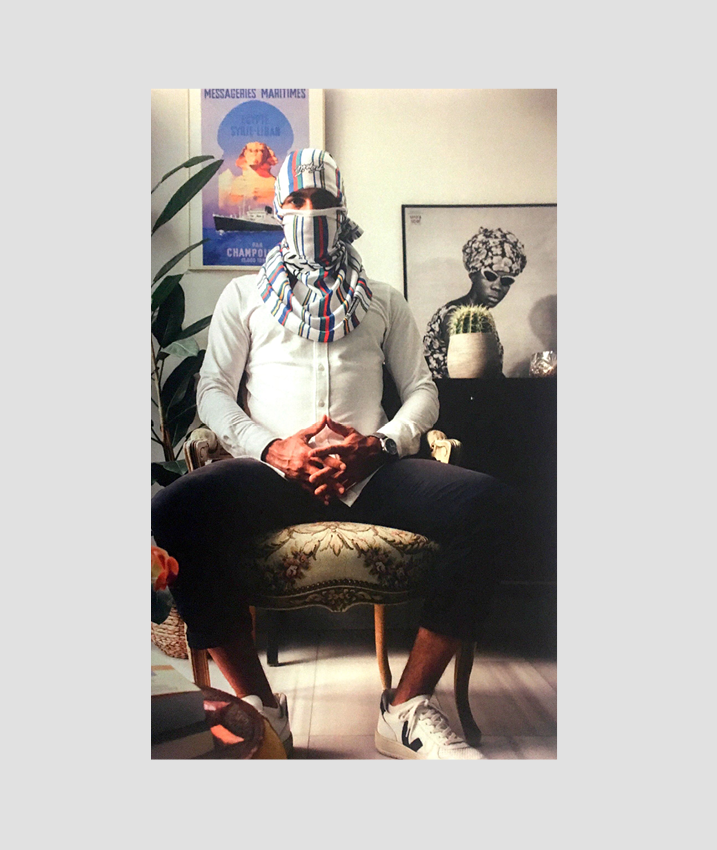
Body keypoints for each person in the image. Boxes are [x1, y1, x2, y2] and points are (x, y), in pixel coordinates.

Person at [151, 149, 519, 760]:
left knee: (493, 505)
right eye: (296, 201)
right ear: (278, 209)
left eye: (322, 201)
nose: (309, 212)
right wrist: (273, 448)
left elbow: (423, 390)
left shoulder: (383, 299)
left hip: (371, 473)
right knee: (171, 511)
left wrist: (379, 445)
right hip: (271, 473)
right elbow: (213, 390)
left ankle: (405, 707)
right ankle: (261, 707)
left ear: (341, 209)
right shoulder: (244, 296)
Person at [422, 226, 527, 379]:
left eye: (506, 281)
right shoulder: (455, 316)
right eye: (490, 276)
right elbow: (473, 376)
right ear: (473, 275)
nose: (497, 287)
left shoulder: (481, 318)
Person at [218, 141, 278, 217]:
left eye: (260, 150)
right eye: (250, 150)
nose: (254, 153)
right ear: (245, 154)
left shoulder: (275, 184)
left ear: (266, 155)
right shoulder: (231, 182)